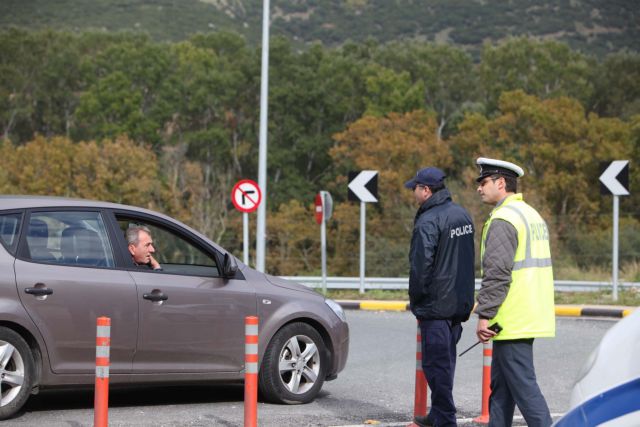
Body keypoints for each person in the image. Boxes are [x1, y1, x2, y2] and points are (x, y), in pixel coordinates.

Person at [474, 157, 555, 427]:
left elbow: (497, 274)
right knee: (502, 389)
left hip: (512, 317)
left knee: (524, 388)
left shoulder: (504, 219)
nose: (479, 188)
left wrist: (484, 314)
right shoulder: (530, 214)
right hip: (526, 313)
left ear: (500, 183)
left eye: (484, 182)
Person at [405, 167, 476, 427]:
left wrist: (417, 300)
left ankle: (445, 419)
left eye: (415, 188)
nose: (413, 192)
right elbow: (468, 262)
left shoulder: (428, 220)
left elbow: (421, 266)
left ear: (426, 190)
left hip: (436, 306)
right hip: (458, 304)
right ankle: (437, 414)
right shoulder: (462, 215)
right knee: (446, 364)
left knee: (436, 368)